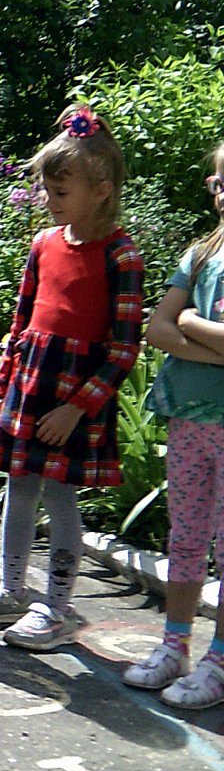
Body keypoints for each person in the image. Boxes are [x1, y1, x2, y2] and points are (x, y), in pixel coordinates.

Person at [0, 106, 144, 651]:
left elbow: (124, 347)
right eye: (47, 189)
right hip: (31, 387)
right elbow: (22, 324)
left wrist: (78, 407)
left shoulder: (121, 255)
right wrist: (3, 391)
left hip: (71, 399)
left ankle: (56, 608)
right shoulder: (43, 244)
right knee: (18, 488)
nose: (50, 200)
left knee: (60, 498)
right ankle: (11, 590)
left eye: (61, 191)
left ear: (101, 191)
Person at [122, 144, 224, 707]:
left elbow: (177, 323)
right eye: (220, 182)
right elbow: (159, 327)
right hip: (189, 418)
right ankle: (175, 645)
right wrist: (201, 335)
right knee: (185, 537)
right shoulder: (202, 254)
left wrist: (190, 322)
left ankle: (219, 661)